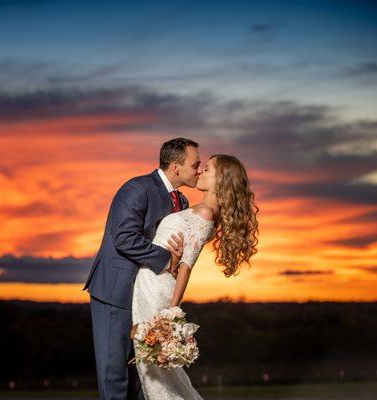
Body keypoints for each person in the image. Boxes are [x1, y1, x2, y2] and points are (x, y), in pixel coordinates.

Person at [131, 154, 260, 399]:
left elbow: (186, 266)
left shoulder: (205, 214)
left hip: (157, 289)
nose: (201, 172)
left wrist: (171, 312)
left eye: (207, 169)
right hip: (148, 281)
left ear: (220, 179)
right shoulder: (197, 208)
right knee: (151, 368)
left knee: (153, 370)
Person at [83, 138, 202, 400]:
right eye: (195, 165)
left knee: (142, 372)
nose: (199, 170)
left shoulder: (181, 201)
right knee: (114, 372)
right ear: (175, 166)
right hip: (116, 292)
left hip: (149, 295)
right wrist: (167, 260)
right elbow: (124, 237)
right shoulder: (136, 188)